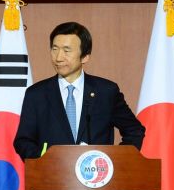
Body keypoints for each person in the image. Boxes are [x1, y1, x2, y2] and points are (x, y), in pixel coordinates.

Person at [14, 22, 145, 160]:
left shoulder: (106, 92)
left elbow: (134, 131)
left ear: (85, 56)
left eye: (66, 50)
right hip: (50, 178)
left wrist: (114, 162)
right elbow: (23, 141)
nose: (58, 58)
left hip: (97, 178)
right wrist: (44, 161)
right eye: (55, 49)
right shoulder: (36, 94)